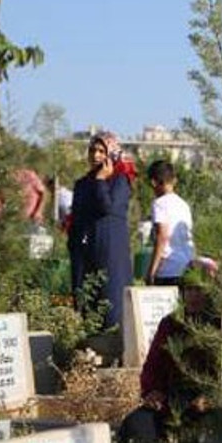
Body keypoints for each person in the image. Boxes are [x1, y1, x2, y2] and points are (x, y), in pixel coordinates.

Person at [119, 267, 219, 442]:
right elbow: (153, 365)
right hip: (174, 398)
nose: (193, 295)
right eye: (189, 289)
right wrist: (153, 391)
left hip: (209, 403)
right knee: (137, 423)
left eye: (199, 289)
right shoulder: (171, 324)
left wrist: (213, 398)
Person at [68, 131, 134, 328]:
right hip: (86, 251)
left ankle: (113, 349)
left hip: (110, 252)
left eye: (101, 151)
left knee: (111, 303)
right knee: (86, 301)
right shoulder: (82, 184)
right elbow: (77, 217)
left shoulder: (120, 181)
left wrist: (100, 181)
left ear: (111, 154)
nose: (95, 155)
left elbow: (107, 208)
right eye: (92, 150)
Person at [144, 160, 196, 286]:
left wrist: (152, 271)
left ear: (153, 182)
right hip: (186, 267)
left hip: (167, 270)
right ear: (174, 180)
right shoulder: (183, 205)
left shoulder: (159, 204)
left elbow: (162, 236)